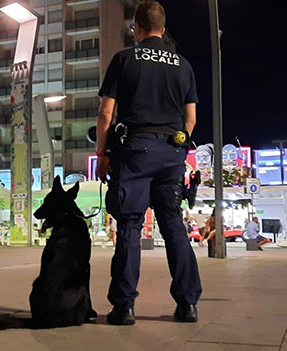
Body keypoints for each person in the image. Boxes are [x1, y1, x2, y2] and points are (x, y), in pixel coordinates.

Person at [95, 0, 202, 325]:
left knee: (129, 226)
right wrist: (177, 148)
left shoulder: (125, 59)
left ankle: (124, 307)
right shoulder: (183, 65)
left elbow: (105, 113)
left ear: (136, 29)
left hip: (136, 150)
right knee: (173, 226)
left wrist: (102, 154)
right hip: (172, 153)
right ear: (163, 28)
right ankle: (187, 305)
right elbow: (191, 120)